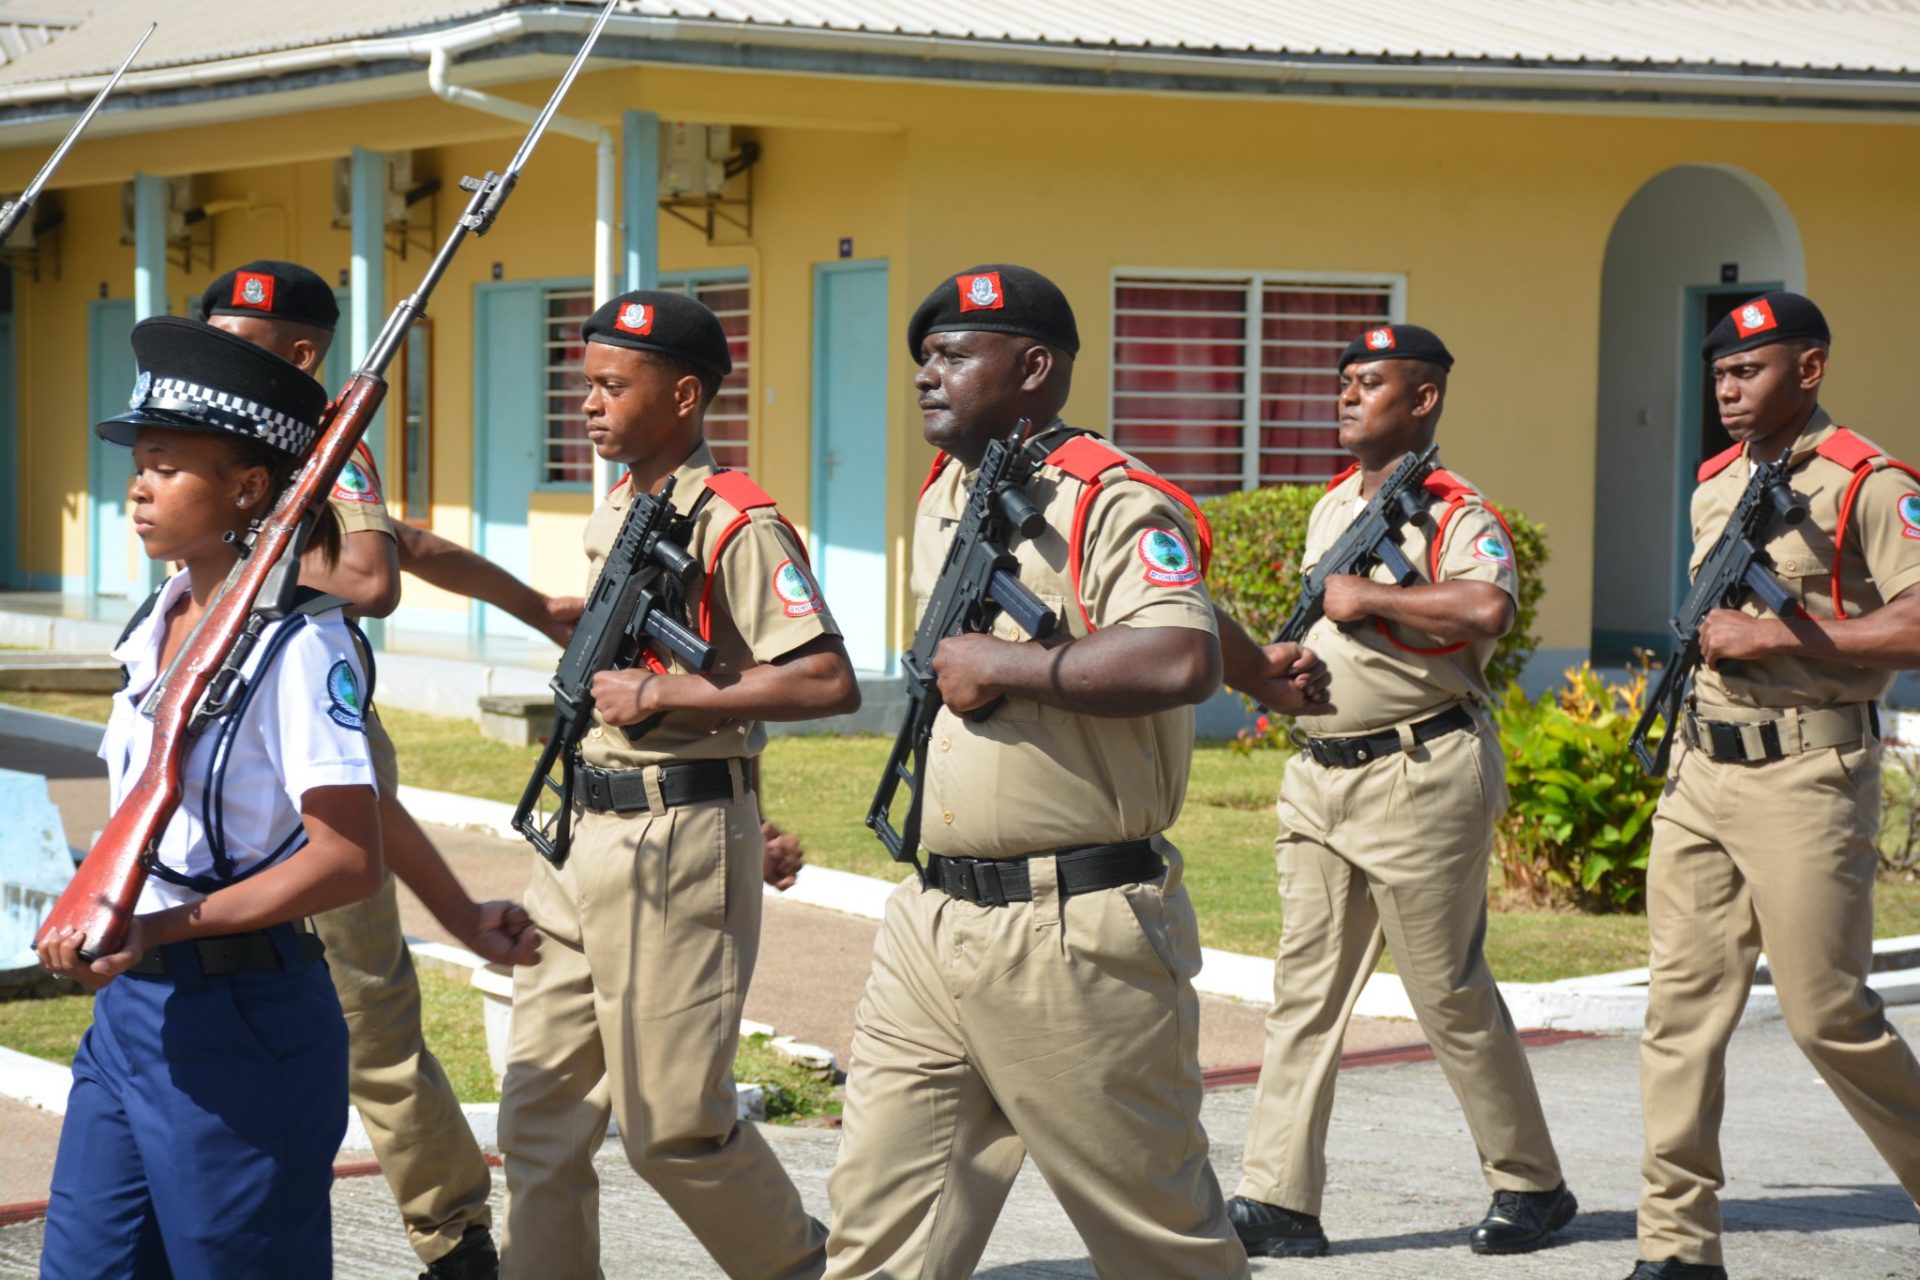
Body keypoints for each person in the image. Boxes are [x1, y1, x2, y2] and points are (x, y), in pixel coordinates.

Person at [822, 264, 1249, 1280]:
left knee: (1159, 1242)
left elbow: (1180, 655)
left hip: (1072, 925)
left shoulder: (1108, 494)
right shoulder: (948, 495)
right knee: (879, 1229)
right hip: (934, 917)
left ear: (1033, 367)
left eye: (955, 354)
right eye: (924, 356)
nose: (929, 373)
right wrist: (1270, 662)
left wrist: (1007, 664)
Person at [496, 289, 858, 1280]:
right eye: (588, 385)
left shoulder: (739, 520)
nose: (590, 406)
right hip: (581, 831)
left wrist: (671, 687)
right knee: (539, 1117)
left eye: (614, 386)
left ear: (686, 393)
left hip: (673, 839)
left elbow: (829, 676)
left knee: (674, 1128)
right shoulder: (619, 506)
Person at [199, 260, 549, 1280]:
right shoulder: (228, 446)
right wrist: (534, 604)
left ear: (300, 355)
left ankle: (453, 1237)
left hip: (316, 749)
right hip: (216, 750)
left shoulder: (323, 445)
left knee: (370, 1014)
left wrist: (237, 541)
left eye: (240, 337)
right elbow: (423, 539)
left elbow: (373, 572)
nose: (219, 352)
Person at [1218, 324, 1577, 1259]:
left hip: (1420, 776)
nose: (1347, 395)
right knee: (1303, 993)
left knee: (1446, 993)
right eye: (1343, 381)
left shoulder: (1458, 514)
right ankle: (1279, 1202)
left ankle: (1530, 1185)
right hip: (1321, 777)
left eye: (1369, 383)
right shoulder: (1335, 505)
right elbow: (1332, 622)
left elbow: (1486, 608)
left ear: (1422, 401)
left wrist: (1371, 599)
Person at [36, 317, 383, 1278]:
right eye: (138, 463)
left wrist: (166, 926)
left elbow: (348, 858)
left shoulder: (299, 646)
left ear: (249, 487)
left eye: (166, 466)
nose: (138, 487)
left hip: (242, 1021)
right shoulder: (156, 622)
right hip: (131, 1019)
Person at [1626, 292, 1920, 1280]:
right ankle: (1676, 1248)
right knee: (1679, 1010)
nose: (1728, 390)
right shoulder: (1718, 481)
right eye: (1719, 374)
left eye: (1748, 370)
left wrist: (1776, 635)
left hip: (1808, 771)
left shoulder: (1869, 482)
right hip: (1702, 769)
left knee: (1827, 1012)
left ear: (1810, 369)